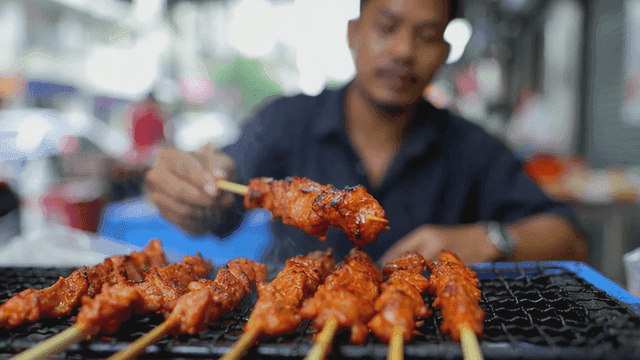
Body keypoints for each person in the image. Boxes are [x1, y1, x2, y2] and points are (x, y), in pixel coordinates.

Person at [145, 0, 588, 265]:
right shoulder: (285, 119)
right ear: (354, 34)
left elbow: (567, 238)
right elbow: (222, 192)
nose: (402, 51)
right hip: (293, 332)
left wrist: (492, 239)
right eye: (387, 27)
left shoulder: (473, 148)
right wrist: (192, 191)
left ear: (445, 52)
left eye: (427, 35)